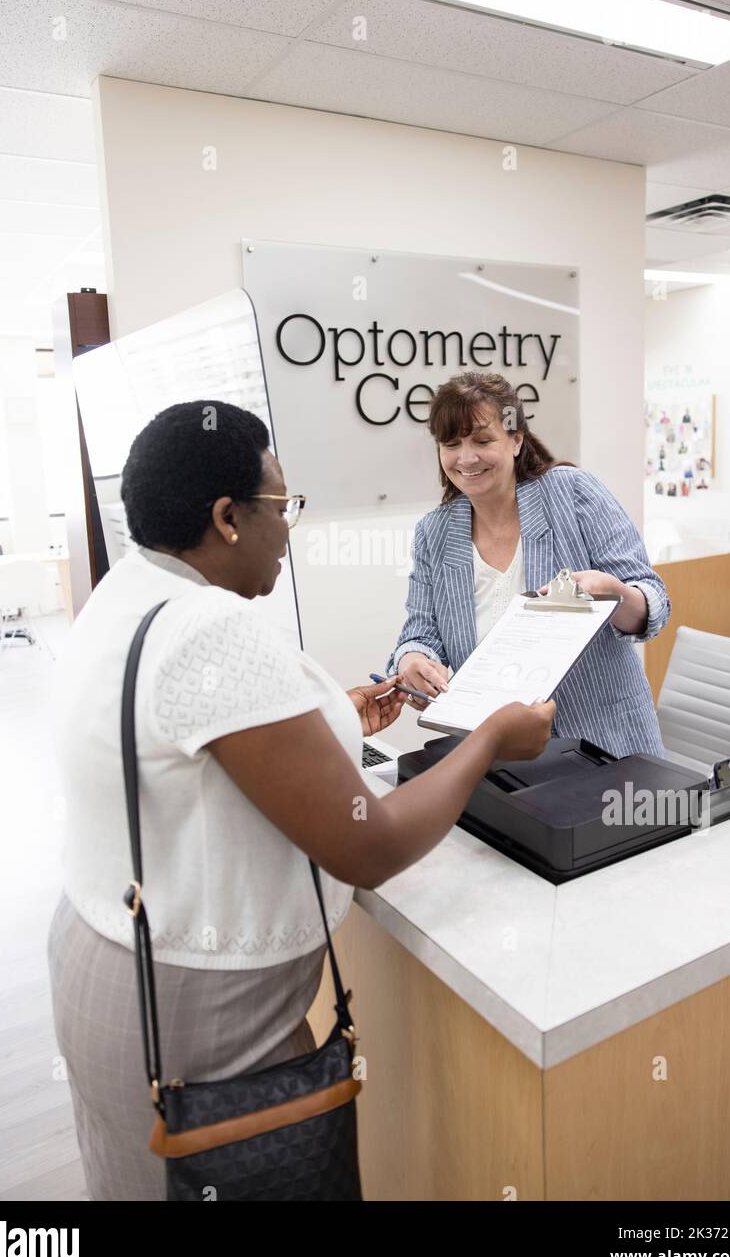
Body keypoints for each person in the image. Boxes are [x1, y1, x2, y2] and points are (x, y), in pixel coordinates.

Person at [48, 399, 554, 1201]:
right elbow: (370, 846)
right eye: (283, 507)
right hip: (197, 1012)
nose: (291, 528)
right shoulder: (212, 628)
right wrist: (489, 736)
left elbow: (196, 751)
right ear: (227, 518)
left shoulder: (129, 589)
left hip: (107, 959)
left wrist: (332, 719)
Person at [386, 372, 670, 758]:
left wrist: (615, 594)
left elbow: (653, 602)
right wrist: (414, 659)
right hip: (499, 753)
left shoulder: (570, 492)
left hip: (604, 743)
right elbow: (421, 631)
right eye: (451, 444)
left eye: (483, 441)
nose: (466, 458)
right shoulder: (434, 533)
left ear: (516, 440)